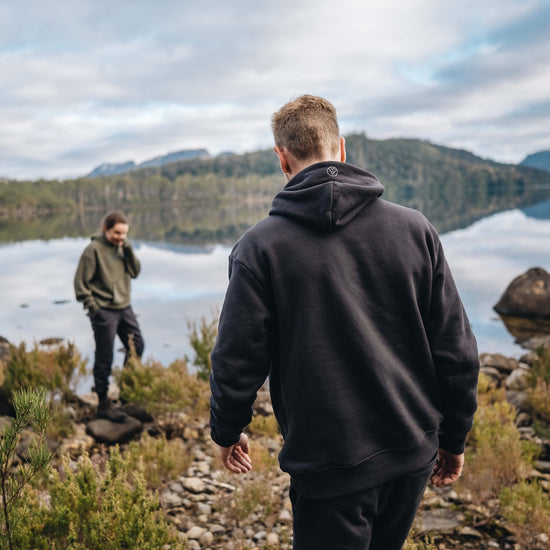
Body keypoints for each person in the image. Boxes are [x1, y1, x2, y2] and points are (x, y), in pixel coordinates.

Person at [209, 95, 480, 549]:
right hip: (411, 450)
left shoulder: (260, 248)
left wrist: (227, 430)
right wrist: (454, 438)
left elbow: (236, 359)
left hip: (328, 464)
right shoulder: (415, 231)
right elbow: (457, 351)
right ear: (342, 148)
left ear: (282, 158)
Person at [74, 210, 144, 422]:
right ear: (106, 229)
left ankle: (126, 393)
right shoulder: (92, 250)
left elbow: (135, 272)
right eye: (116, 233)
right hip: (104, 310)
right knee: (105, 355)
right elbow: (80, 285)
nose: (120, 237)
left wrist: (129, 249)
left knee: (137, 345)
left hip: (124, 307)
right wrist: (95, 309)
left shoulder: (124, 248)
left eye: (124, 234)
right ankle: (103, 403)